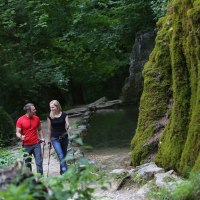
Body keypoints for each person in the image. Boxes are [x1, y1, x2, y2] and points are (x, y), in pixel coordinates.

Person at [16, 103, 45, 175]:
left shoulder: (37, 118)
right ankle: (31, 180)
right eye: (33, 110)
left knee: (39, 162)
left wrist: (42, 138)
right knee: (28, 164)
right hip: (26, 145)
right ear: (28, 111)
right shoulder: (20, 120)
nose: (35, 111)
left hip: (36, 144)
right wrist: (20, 136)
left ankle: (40, 179)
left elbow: (40, 129)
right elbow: (17, 132)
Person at [47, 100, 71, 175]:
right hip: (55, 138)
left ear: (57, 107)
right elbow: (49, 130)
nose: (51, 109)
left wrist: (69, 127)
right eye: (50, 107)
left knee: (64, 155)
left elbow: (67, 124)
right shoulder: (50, 117)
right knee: (60, 155)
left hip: (64, 137)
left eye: (53, 107)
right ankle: (66, 173)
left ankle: (62, 172)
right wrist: (49, 141)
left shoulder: (64, 115)